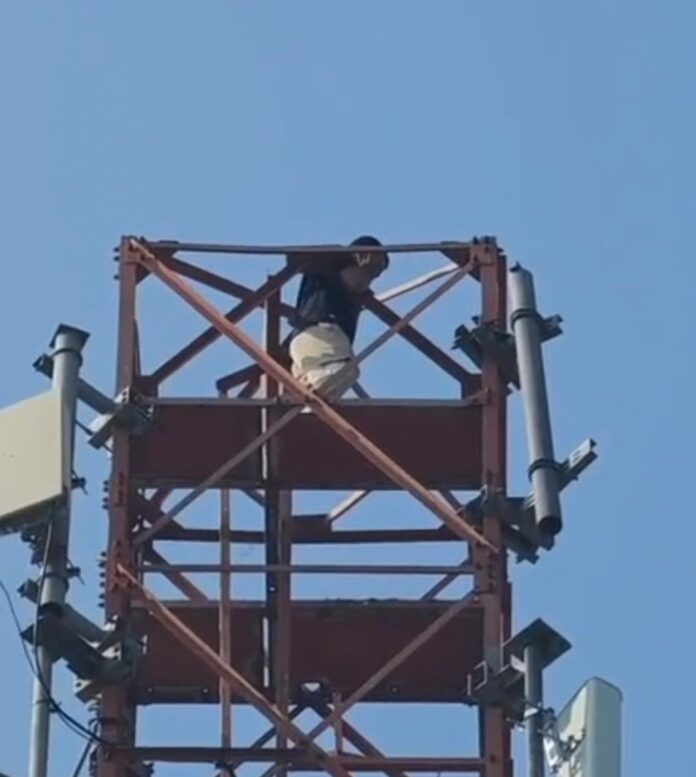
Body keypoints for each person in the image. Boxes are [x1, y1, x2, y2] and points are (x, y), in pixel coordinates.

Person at [288, 236, 389, 398]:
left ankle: (306, 393)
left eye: (375, 274)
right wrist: (345, 254)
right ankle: (313, 391)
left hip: (311, 346)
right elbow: (296, 258)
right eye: (371, 270)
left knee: (336, 377)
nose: (370, 278)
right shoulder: (327, 268)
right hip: (319, 338)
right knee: (345, 372)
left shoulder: (349, 294)